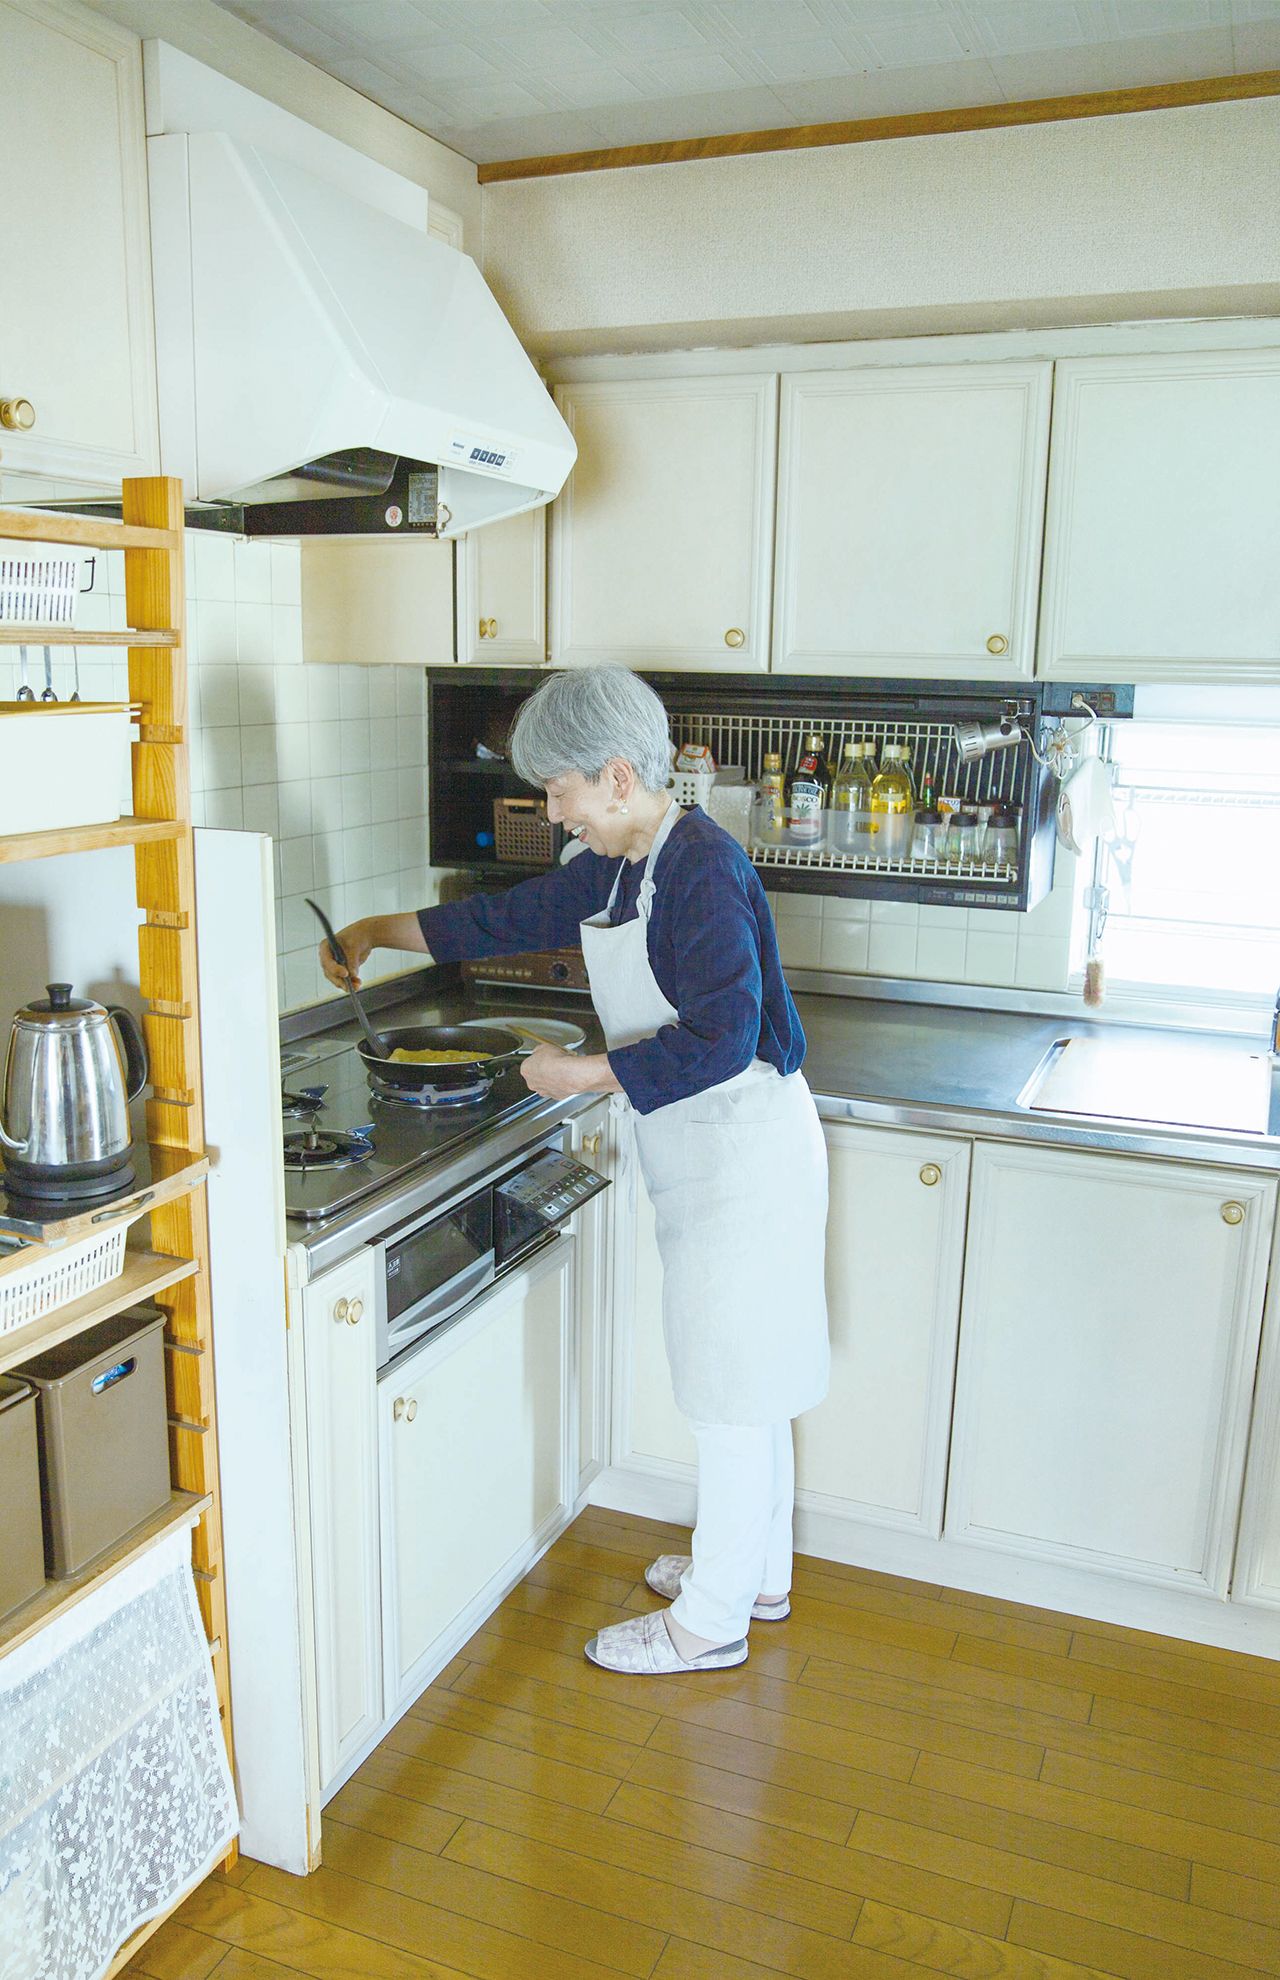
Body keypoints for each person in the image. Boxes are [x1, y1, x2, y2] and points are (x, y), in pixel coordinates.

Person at [320, 665, 829, 1676]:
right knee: (747, 1380)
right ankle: (754, 1571)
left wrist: (581, 1072)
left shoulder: (698, 869)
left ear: (609, 776)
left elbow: (723, 1038)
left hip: (741, 1145)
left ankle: (710, 1622)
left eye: (555, 791)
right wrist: (379, 932)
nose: (550, 812)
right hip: (701, 1143)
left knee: (728, 1389)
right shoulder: (624, 859)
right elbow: (508, 919)